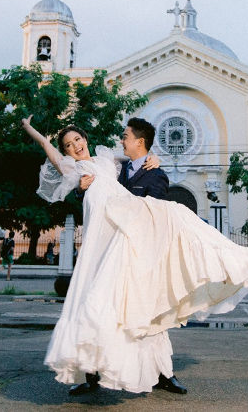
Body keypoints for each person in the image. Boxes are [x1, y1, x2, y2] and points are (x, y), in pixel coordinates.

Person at [21, 115, 248, 395]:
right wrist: (31, 130)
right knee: (96, 298)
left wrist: (156, 158)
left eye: (78, 139)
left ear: (86, 138)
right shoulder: (77, 169)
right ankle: (91, 371)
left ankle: (162, 372)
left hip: (131, 239)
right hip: (100, 238)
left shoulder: (111, 160)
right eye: (69, 144)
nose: (75, 146)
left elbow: (137, 157)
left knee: (142, 304)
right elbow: (51, 150)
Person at [73, 117, 184, 395]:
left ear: (139, 141)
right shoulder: (115, 169)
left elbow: (153, 214)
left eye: (125, 136)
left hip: (139, 257)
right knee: (99, 309)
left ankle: (163, 374)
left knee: (149, 317)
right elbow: (97, 199)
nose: (121, 140)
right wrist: (81, 189)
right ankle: (92, 375)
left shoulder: (156, 175)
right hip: (107, 253)